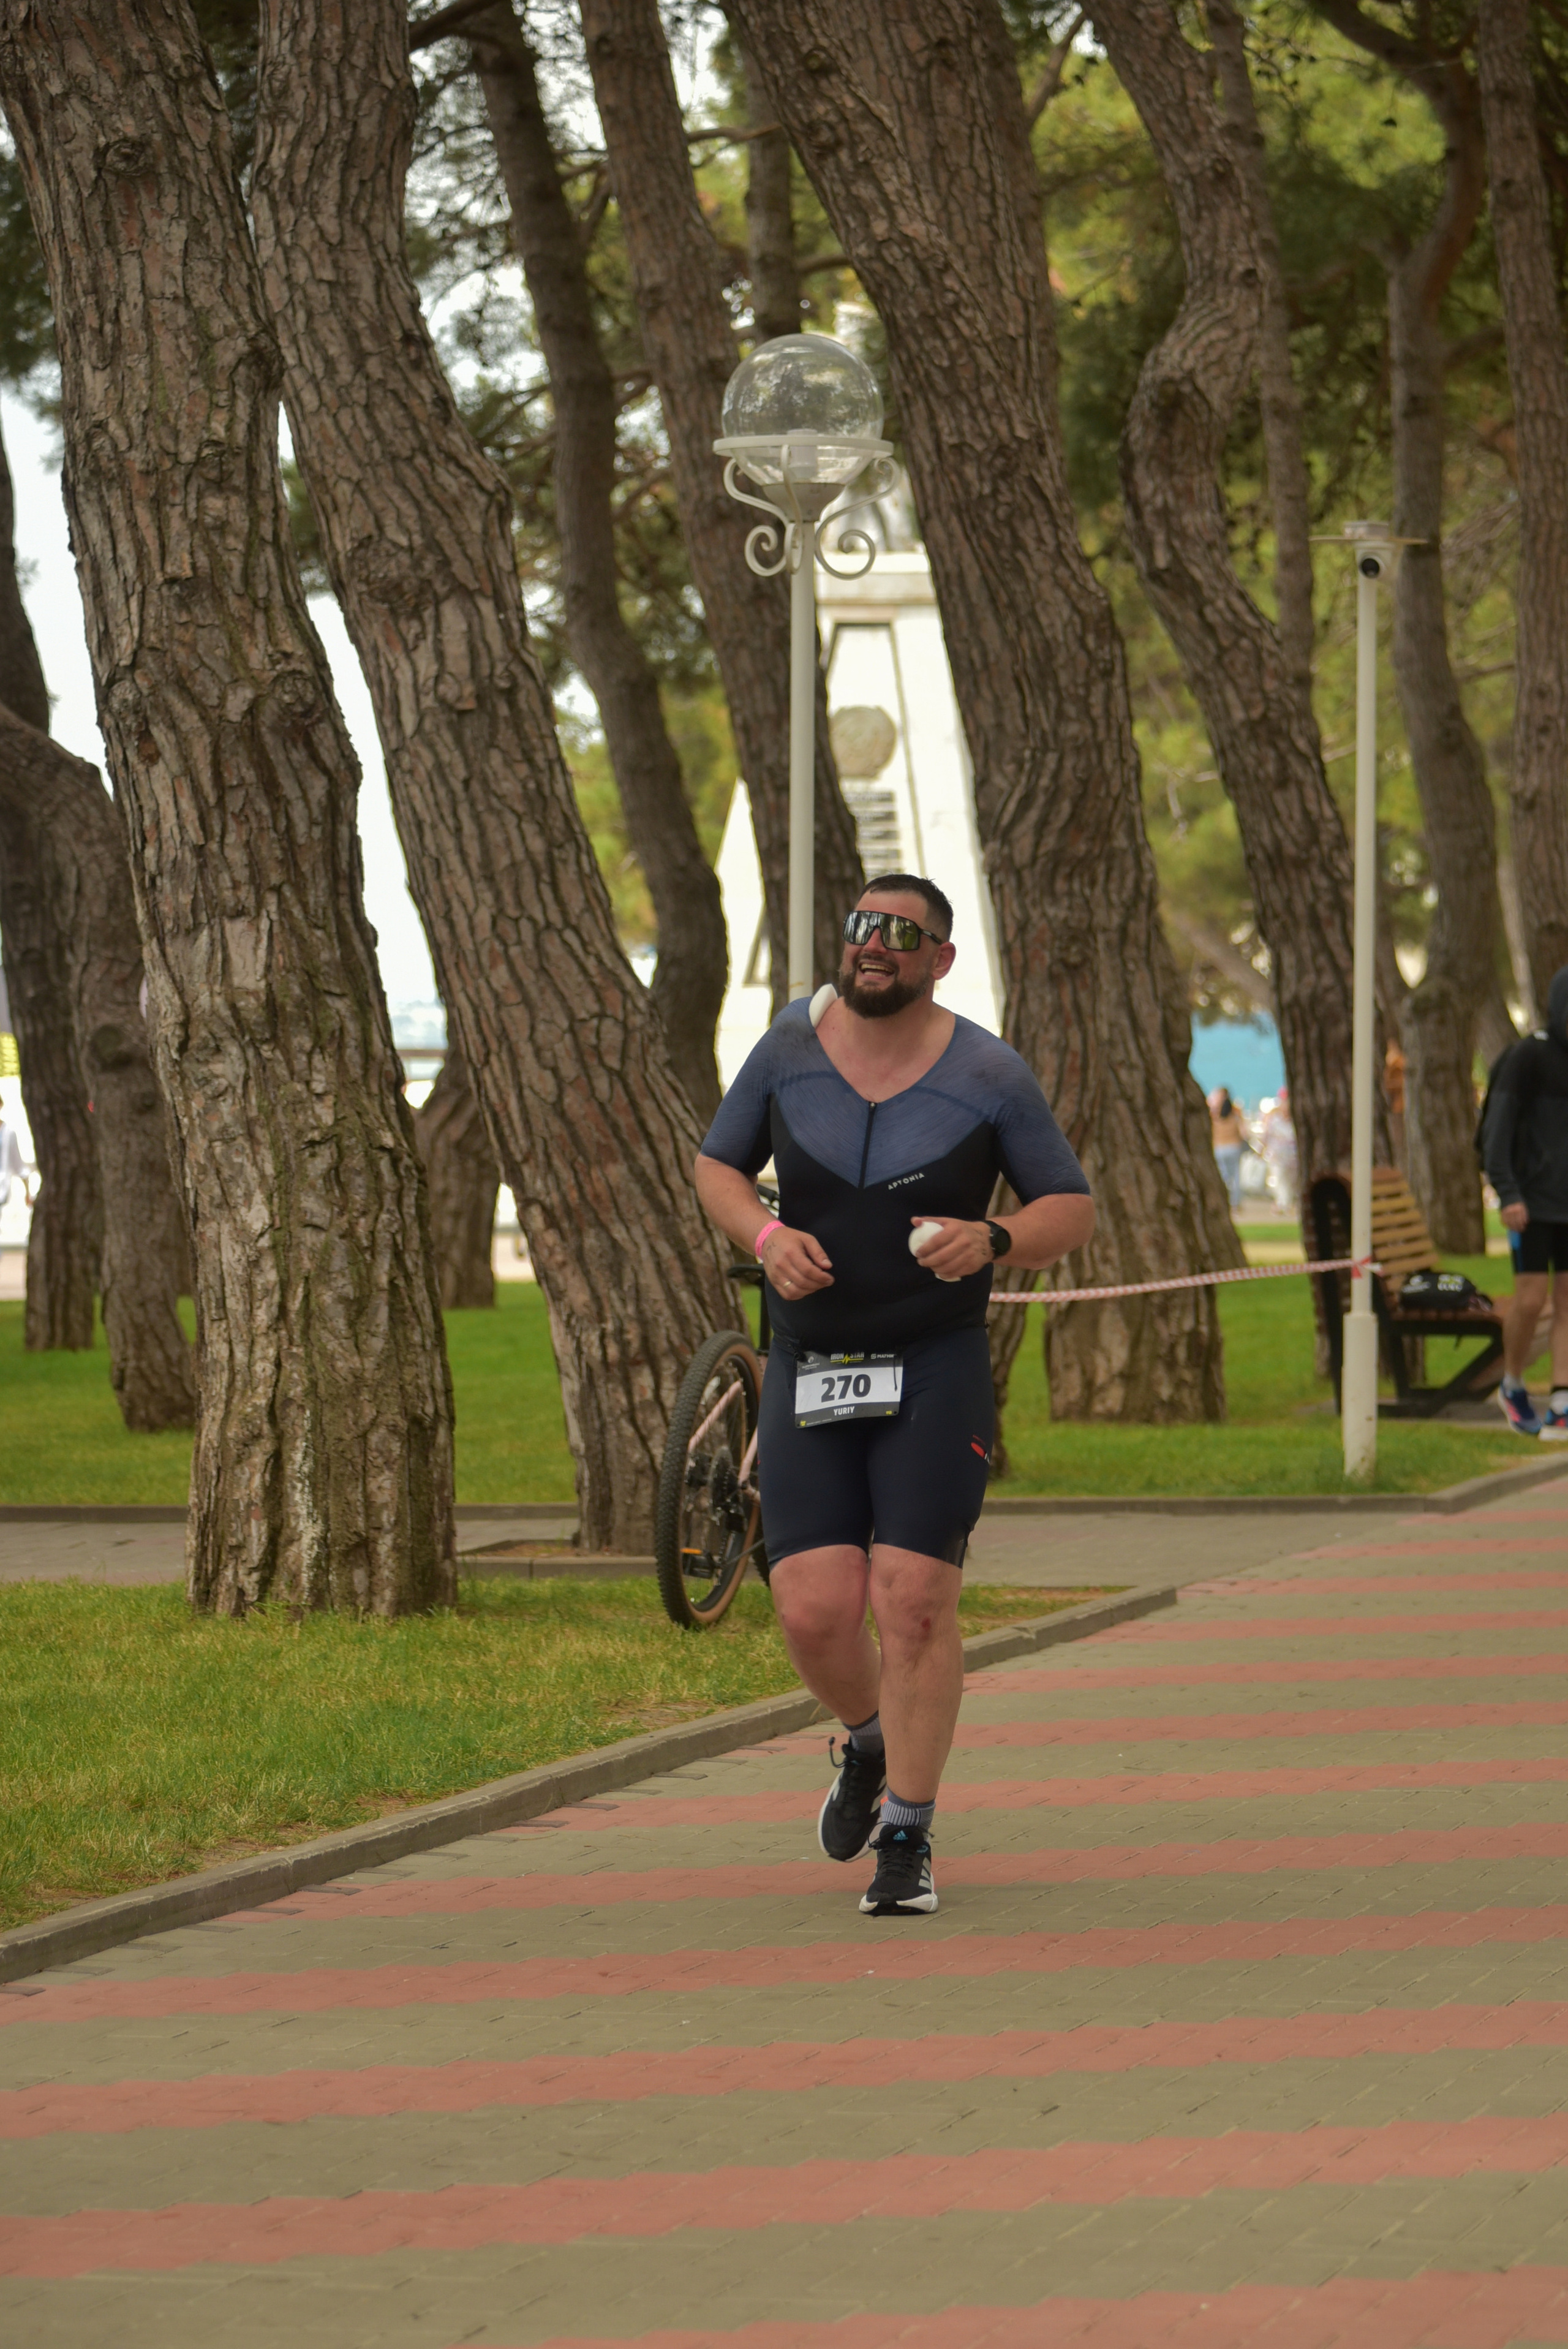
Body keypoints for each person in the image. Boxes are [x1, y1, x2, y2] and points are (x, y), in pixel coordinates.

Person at [693, 875, 1095, 1916]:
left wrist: (995, 1236)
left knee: (914, 1600)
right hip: (813, 1365)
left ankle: (909, 1832)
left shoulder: (987, 1070)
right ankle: (871, 1745)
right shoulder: (788, 1045)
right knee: (813, 1610)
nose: (873, 946)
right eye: (862, 927)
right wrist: (768, 1237)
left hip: (934, 1361)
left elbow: (1070, 1206)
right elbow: (717, 1167)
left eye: (899, 933)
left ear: (938, 959)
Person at [1483, 966, 1568, 1438]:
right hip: (1531, 1205)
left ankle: (1561, 1398)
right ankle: (1512, 1384)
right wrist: (1508, 1192)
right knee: (1532, 1300)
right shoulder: (1528, 1057)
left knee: (1567, 1301)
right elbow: (1497, 1133)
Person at [1261, 1086, 1297, 1216]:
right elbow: (1266, 1136)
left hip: (1294, 1158)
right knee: (1280, 1180)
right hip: (1277, 1156)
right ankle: (1284, 1204)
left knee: (1291, 1182)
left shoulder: (1297, 1120)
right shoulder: (1273, 1119)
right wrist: (1263, 1149)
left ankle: (1286, 1203)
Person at [1208, 1088, 1245, 1214]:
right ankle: (1235, 1204)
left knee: (1223, 1176)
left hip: (1219, 1148)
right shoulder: (1236, 1114)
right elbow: (1244, 1132)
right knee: (1235, 1177)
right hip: (1234, 1147)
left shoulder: (1214, 1114)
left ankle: (1223, 1201)